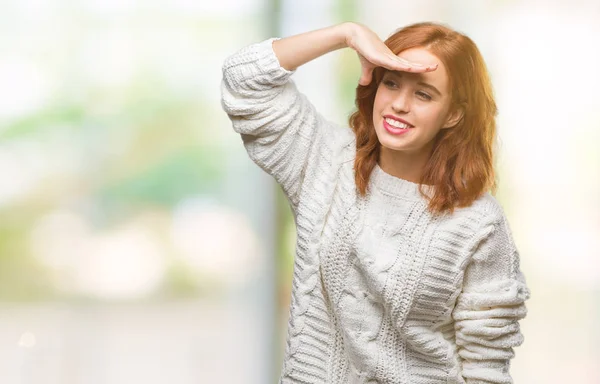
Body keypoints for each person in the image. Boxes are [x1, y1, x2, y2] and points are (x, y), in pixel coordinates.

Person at [221, 21, 531, 384]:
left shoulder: (478, 222)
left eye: (424, 95)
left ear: (453, 114)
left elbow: (486, 367)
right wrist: (346, 34)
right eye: (392, 82)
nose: (399, 105)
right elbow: (243, 81)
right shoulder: (324, 161)